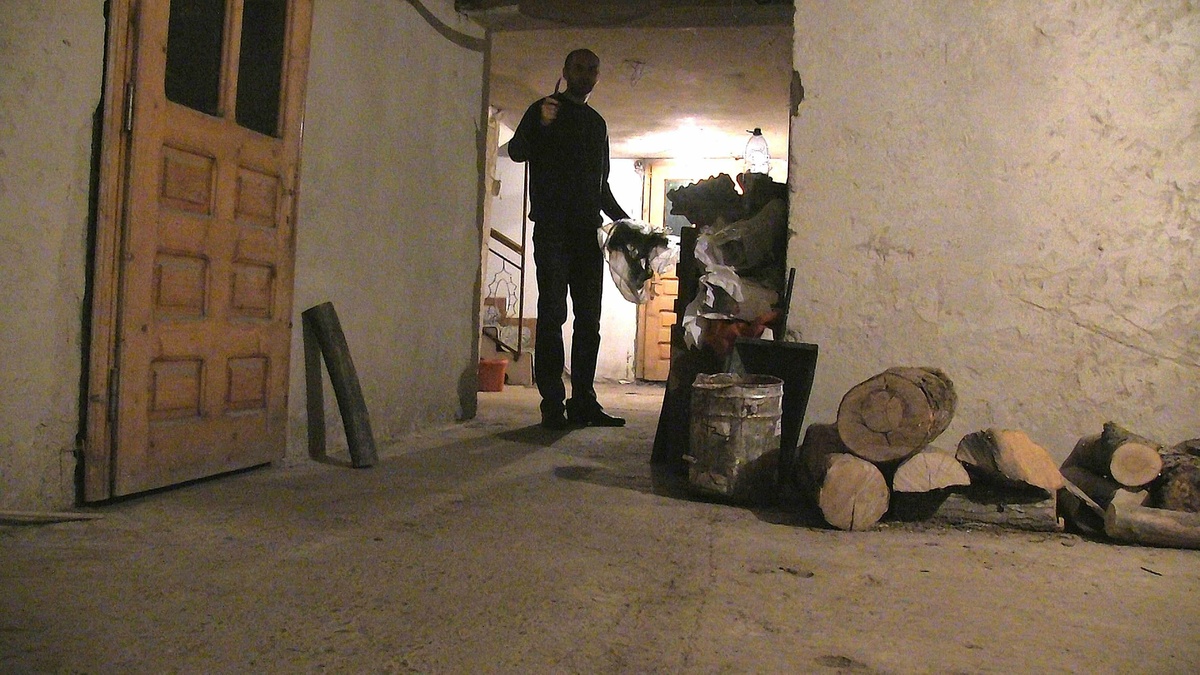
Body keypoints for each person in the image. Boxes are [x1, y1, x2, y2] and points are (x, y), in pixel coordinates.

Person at [508, 48, 630, 430]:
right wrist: (540, 125)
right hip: (552, 231)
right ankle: (551, 405)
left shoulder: (597, 125)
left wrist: (626, 224)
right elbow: (515, 152)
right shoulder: (543, 109)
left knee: (588, 319)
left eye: (593, 68)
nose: (587, 74)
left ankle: (583, 403)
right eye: (580, 68)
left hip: (587, 233)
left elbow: (601, 185)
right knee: (552, 314)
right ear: (565, 71)